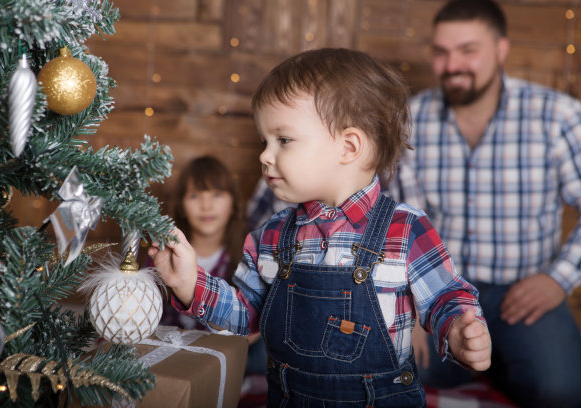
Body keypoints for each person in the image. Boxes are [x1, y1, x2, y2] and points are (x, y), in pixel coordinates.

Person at [149, 48, 491, 407]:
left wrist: (457, 329)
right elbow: (246, 315)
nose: (265, 155)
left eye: (283, 140)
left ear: (348, 146)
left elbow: (445, 297)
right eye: (264, 141)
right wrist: (189, 284)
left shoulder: (406, 229)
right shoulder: (271, 236)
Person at [388, 1, 581, 407]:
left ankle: (504, 355)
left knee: (562, 393)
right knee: (394, 370)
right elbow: (400, 223)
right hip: (440, 293)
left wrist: (559, 280)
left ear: (501, 50)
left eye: (468, 50)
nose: (452, 64)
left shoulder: (557, 115)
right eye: (442, 52)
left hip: (524, 292)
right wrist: (406, 306)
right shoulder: (411, 118)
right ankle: (492, 358)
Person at [158, 155, 266, 375]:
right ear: (181, 205)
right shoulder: (164, 254)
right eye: (195, 196)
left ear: (234, 203)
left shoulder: (250, 254)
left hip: (229, 363)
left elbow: (255, 324)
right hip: (170, 360)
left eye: (216, 194)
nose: (206, 206)